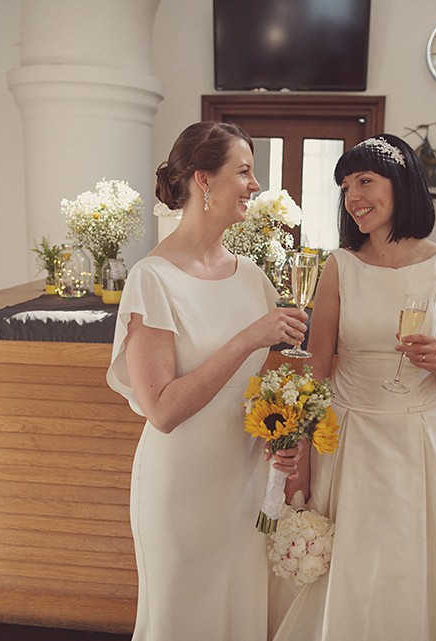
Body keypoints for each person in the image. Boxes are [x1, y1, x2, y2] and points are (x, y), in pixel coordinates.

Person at [272, 134, 436, 640]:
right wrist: (299, 448)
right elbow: (316, 367)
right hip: (346, 439)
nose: (353, 197)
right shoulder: (339, 265)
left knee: (415, 566)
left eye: (365, 181)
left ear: (403, 184)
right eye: (346, 186)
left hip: (421, 439)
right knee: (349, 564)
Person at [106, 121, 309, 641]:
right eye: (244, 171)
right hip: (180, 490)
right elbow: (163, 410)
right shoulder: (152, 280)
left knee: (239, 620)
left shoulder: (252, 278)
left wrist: (280, 438)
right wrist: (245, 339)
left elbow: (265, 391)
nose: (255, 185)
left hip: (243, 487)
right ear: (204, 180)